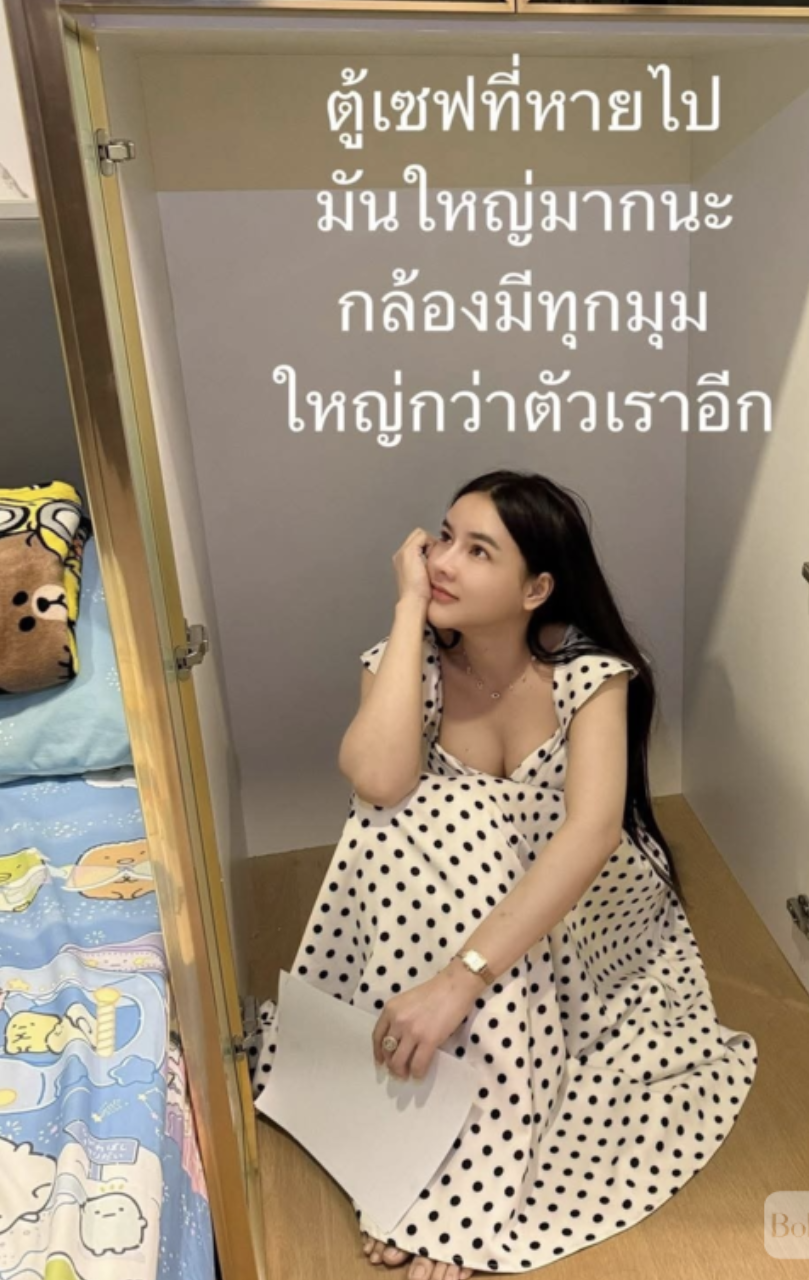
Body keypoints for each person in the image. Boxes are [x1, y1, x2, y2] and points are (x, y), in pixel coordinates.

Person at [248, 469, 758, 1278]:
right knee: (406, 817)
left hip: (577, 910)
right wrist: (408, 610)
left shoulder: (590, 676)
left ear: (536, 589)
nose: (443, 561)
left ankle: (454, 1173)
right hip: (447, 899)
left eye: (478, 551)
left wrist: (461, 980)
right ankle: (418, 1130)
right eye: (444, 537)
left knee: (462, 830)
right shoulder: (406, 659)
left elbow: (591, 836)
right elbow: (375, 781)